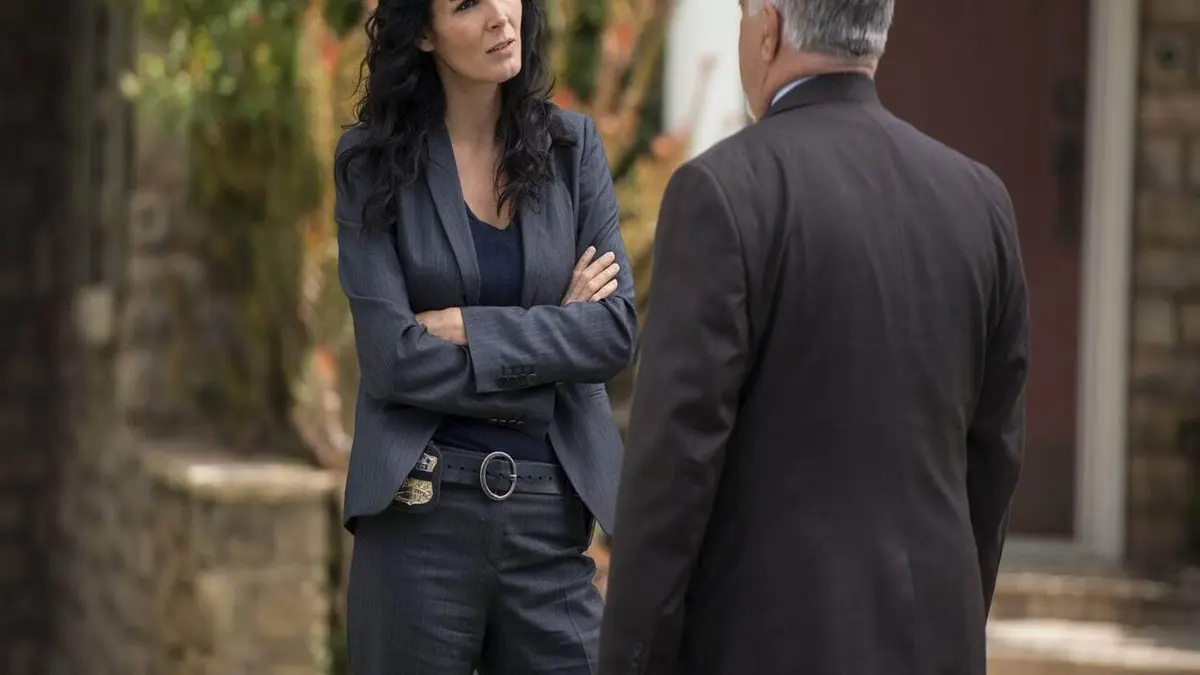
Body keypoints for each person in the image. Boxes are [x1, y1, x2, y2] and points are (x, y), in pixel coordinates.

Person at [598, 0, 1029, 673]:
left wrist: (633, 657)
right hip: (933, 640)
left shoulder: (724, 191)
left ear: (768, 30)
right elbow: (995, 456)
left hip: (766, 641)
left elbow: (674, 466)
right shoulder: (980, 200)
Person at [333, 0, 637, 672]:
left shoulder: (572, 150)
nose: (501, 15)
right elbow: (392, 360)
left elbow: (613, 331)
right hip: (419, 520)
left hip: (550, 524)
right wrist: (549, 360)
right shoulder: (370, 163)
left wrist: (469, 328)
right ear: (423, 33)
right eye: (467, 4)